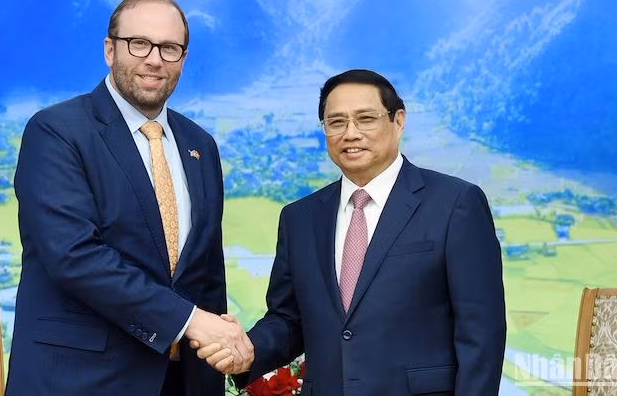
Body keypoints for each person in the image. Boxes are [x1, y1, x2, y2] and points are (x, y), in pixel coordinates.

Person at [197, 69, 506, 395]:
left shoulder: (455, 203)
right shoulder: (299, 218)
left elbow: (481, 335)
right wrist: (247, 350)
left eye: (366, 118)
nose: (351, 133)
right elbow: (290, 320)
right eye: (336, 122)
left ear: (398, 121)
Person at [6, 0, 251, 396]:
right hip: (79, 380)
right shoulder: (57, 131)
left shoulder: (199, 145)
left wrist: (217, 359)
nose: (155, 59)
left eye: (170, 48)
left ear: (183, 60)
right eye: (139, 44)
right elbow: (74, 257)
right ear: (109, 50)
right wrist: (191, 321)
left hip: (180, 382)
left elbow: (206, 274)